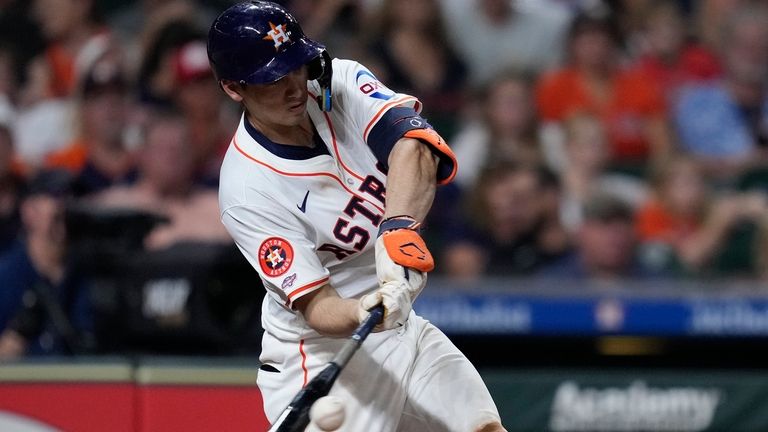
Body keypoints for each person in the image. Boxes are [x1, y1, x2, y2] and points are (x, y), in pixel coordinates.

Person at [208, 2, 505, 431]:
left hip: (404, 333)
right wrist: (368, 307)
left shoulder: (341, 82)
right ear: (235, 88)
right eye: (272, 79)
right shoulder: (246, 188)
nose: (293, 86)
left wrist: (398, 231)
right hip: (321, 355)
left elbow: (414, 144)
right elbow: (317, 306)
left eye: (296, 65)